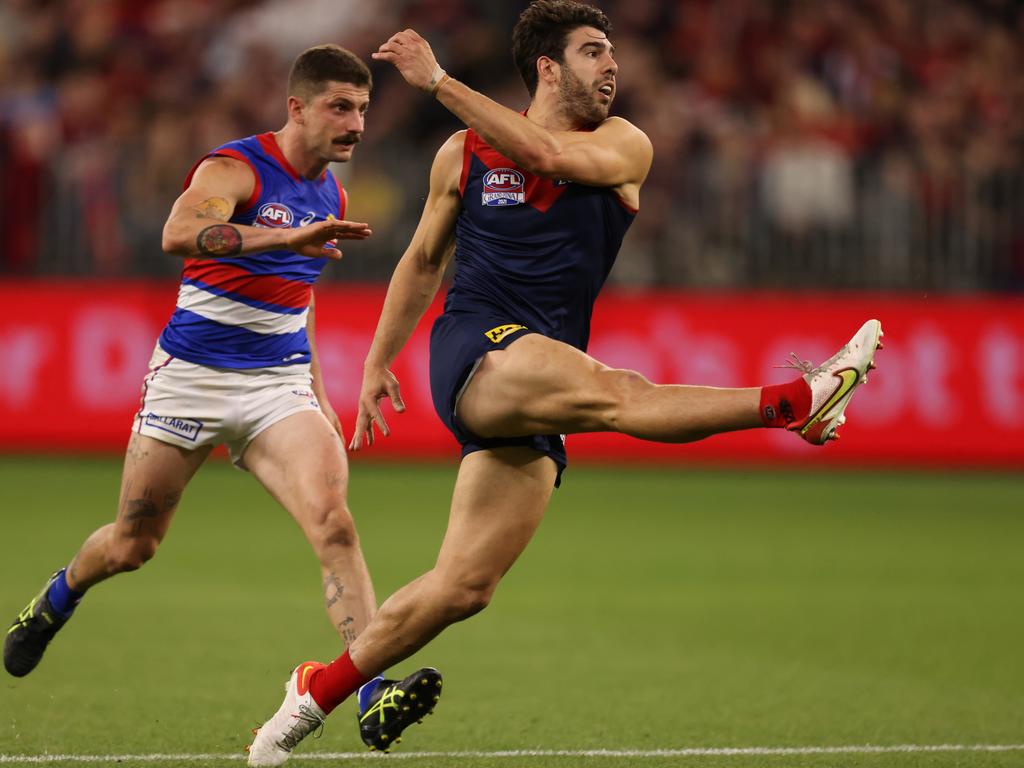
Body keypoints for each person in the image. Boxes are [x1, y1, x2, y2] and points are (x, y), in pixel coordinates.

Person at [246, 2, 884, 764]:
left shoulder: (625, 144)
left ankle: (309, 697)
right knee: (617, 392)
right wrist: (380, 361)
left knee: (461, 588)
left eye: (610, 52)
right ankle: (796, 403)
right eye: (591, 52)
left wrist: (440, 80)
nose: (611, 65)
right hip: (476, 351)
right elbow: (421, 262)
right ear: (548, 67)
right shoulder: (461, 154)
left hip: (537, 377)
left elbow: (548, 155)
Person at [3, 46, 418, 741]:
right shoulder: (235, 167)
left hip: (277, 386)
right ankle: (56, 598)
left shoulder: (333, 194)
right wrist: (282, 236)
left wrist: (314, 388)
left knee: (335, 523)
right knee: (134, 544)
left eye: (363, 110)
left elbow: (300, 296)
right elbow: (179, 232)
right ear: (297, 107)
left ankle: (370, 690)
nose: (355, 124)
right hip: (191, 378)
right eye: (339, 107)